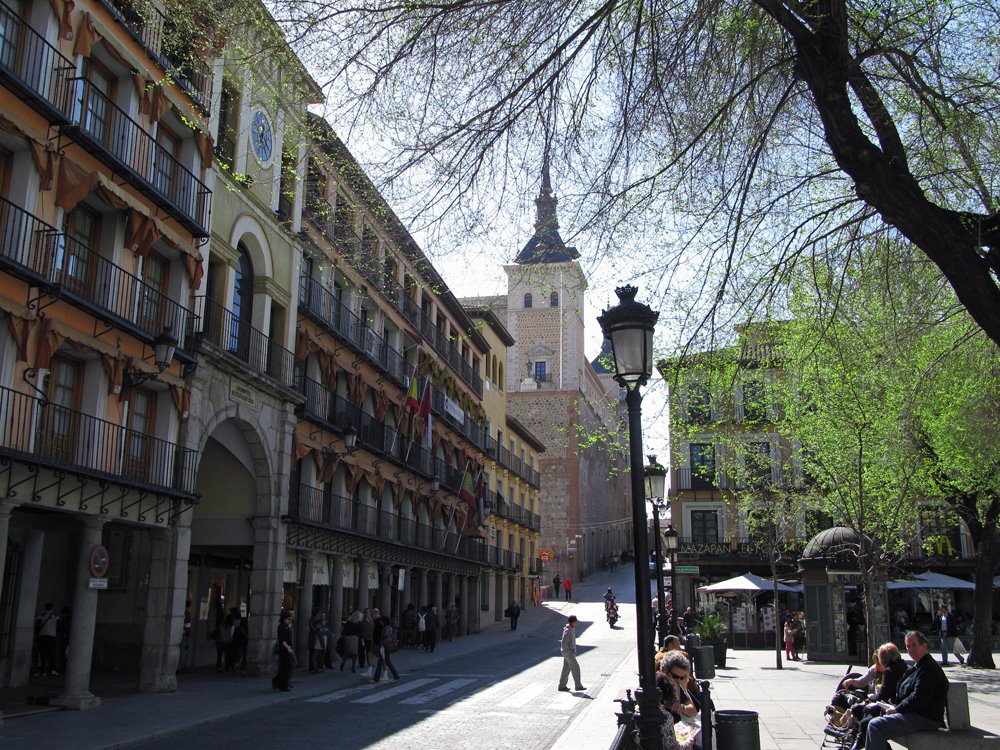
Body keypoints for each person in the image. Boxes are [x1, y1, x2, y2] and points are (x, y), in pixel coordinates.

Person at [861, 631, 949, 750]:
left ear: (924, 645)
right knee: (872, 718)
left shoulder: (929, 669)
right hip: (915, 714)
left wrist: (897, 709)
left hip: (925, 718)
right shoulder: (917, 667)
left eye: (914, 645)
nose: (910, 649)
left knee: (875, 725)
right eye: (908, 646)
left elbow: (918, 698)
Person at [849, 643, 908, 750]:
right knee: (863, 713)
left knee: (867, 722)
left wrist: (870, 698)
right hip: (897, 706)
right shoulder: (903, 665)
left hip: (896, 708)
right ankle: (861, 740)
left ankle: (859, 741)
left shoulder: (890, 671)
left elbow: (883, 696)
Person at [657, 651, 701, 749]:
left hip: (677, 731)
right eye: (675, 676)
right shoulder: (658, 685)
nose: (678, 681)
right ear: (664, 670)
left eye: (682, 678)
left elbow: (693, 710)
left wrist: (683, 708)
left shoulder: (676, 686)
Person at [557, 615, 585, 692]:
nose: (576, 623)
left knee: (566, 669)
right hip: (568, 653)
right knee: (576, 667)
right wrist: (568, 652)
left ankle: (562, 686)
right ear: (572, 622)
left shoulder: (572, 629)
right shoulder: (568, 631)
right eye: (575, 622)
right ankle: (578, 686)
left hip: (569, 652)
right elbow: (563, 644)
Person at [372, 615, 401, 682]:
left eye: (381, 621)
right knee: (382, 662)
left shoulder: (386, 628)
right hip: (386, 646)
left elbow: (387, 638)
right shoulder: (388, 627)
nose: (380, 622)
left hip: (385, 646)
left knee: (386, 662)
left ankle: (396, 675)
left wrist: (381, 643)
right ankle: (377, 678)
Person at [272, 609, 295, 692]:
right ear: (284, 619)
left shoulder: (286, 626)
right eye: (288, 619)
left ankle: (280, 682)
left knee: (286, 667)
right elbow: (282, 640)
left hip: (287, 649)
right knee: (286, 667)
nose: (290, 621)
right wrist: (288, 648)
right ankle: (282, 684)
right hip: (284, 650)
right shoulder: (281, 627)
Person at [35, 603, 59, 676]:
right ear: (52, 608)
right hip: (52, 637)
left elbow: (37, 626)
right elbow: (59, 626)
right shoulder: (55, 616)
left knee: (42, 654)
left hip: (43, 637)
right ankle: (53, 670)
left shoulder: (41, 616)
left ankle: (42, 671)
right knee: (51, 654)